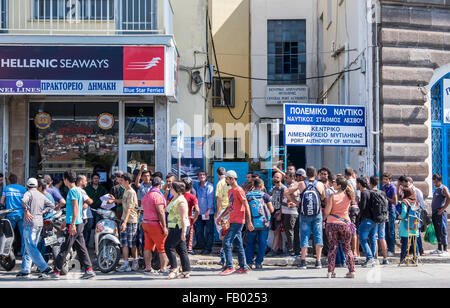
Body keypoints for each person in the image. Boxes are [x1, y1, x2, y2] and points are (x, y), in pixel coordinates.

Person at [49, 170, 95, 280]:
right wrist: (66, 221)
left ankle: (56, 271)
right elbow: (73, 209)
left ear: (65, 180)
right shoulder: (78, 190)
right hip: (77, 222)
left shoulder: (73, 191)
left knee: (65, 247)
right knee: (81, 248)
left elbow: (75, 208)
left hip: (75, 224)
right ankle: (89, 270)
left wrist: (72, 224)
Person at [15, 178, 55, 279]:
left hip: (30, 224)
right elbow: (52, 205)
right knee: (30, 247)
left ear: (26, 186)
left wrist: (26, 211)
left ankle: (45, 268)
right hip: (39, 223)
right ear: (36, 186)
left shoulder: (28, 193)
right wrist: (44, 211)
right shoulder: (41, 195)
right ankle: (25, 270)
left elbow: (23, 201)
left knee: (30, 247)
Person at [288, 166, 325, 269]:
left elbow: (287, 192)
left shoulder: (301, 184)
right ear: (316, 174)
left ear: (306, 175)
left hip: (304, 214)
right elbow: (323, 197)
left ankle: (303, 262)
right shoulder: (320, 184)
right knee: (318, 236)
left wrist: (296, 203)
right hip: (317, 214)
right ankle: (318, 262)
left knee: (304, 236)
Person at [217, 170, 254, 275]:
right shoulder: (230, 191)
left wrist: (249, 222)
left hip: (238, 221)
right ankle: (243, 267)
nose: (226, 181)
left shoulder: (239, 190)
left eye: (227, 179)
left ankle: (230, 266)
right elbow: (229, 207)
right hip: (232, 220)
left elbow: (246, 205)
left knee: (226, 242)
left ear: (232, 179)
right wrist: (220, 217)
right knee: (238, 244)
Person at [324, 176, 355, 278]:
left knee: (332, 248)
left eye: (335, 183)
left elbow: (327, 211)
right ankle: (351, 271)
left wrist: (324, 216)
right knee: (347, 248)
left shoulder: (332, 196)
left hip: (332, 223)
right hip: (345, 224)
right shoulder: (349, 196)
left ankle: (330, 271)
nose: (333, 184)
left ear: (339, 186)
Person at [141, 176, 169, 275]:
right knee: (162, 247)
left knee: (147, 247)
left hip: (146, 223)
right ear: (160, 185)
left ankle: (148, 268)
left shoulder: (147, 194)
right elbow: (160, 211)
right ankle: (163, 268)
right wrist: (164, 226)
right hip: (155, 223)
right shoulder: (157, 196)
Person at [245, 178, 274, 269]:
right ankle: (258, 262)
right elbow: (271, 209)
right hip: (263, 223)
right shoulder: (265, 196)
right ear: (261, 186)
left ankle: (249, 262)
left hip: (251, 223)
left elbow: (245, 209)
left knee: (250, 243)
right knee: (262, 242)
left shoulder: (248, 195)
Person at [165, 181, 191, 279]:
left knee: (168, 246)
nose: (169, 189)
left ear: (176, 189)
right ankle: (186, 271)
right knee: (181, 249)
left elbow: (184, 218)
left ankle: (174, 269)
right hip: (174, 226)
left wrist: (184, 232)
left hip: (180, 227)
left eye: (171, 188)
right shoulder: (174, 199)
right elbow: (167, 209)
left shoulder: (181, 201)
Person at [117, 173, 140, 272]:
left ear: (127, 182)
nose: (120, 182)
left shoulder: (131, 192)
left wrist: (125, 222)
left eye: (122, 180)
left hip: (130, 220)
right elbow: (123, 202)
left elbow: (130, 208)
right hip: (124, 219)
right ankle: (126, 263)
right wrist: (113, 200)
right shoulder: (126, 191)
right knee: (124, 243)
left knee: (132, 243)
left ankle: (135, 261)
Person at [1, 173, 27, 255]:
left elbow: (2, 201)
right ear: (17, 180)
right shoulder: (23, 189)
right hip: (21, 214)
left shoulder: (6, 188)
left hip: (10, 214)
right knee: (23, 235)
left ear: (9, 181)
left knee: (8, 235)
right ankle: (23, 252)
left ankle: (7, 253)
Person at [358, 177, 380, 267]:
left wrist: (357, 202)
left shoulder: (363, 192)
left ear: (359, 184)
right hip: (374, 219)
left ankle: (370, 257)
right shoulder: (371, 192)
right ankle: (373, 259)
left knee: (362, 239)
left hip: (366, 219)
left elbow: (362, 207)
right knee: (372, 239)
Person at [193, 171, 215, 255]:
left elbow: (210, 198)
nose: (202, 176)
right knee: (199, 230)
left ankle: (208, 248)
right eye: (200, 175)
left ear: (206, 176)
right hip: (199, 212)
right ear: (198, 177)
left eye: (203, 175)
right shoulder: (196, 185)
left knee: (209, 232)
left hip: (208, 213)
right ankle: (200, 245)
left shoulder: (209, 186)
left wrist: (208, 210)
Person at [369, 176, 389, 265]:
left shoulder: (370, 193)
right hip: (383, 217)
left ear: (370, 183)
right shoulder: (383, 193)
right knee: (382, 237)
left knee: (374, 238)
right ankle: (385, 258)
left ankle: (376, 258)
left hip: (374, 218)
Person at [430, 174, 450, 256]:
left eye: (436, 182)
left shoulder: (443, 188)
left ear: (440, 181)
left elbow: (449, 198)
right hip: (435, 213)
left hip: (440, 213)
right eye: (434, 182)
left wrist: (442, 209)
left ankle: (445, 249)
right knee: (437, 231)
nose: (435, 183)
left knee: (442, 230)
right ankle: (439, 248)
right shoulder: (436, 189)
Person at [267, 172, 285, 257]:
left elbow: (282, 202)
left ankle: (273, 250)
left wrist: (280, 214)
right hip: (273, 211)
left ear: (281, 178)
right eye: (274, 177)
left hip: (278, 211)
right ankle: (280, 248)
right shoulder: (273, 188)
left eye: (277, 177)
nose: (275, 179)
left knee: (276, 232)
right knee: (276, 231)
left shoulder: (283, 188)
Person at [399, 187, 419, 262]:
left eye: (402, 192)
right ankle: (415, 258)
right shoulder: (416, 202)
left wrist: (401, 216)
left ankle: (403, 259)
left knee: (404, 242)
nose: (401, 194)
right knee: (414, 242)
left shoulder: (405, 201)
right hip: (414, 225)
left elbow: (404, 212)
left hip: (406, 225)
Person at [282, 171, 299, 257]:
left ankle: (291, 251)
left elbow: (295, 194)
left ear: (292, 178)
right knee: (290, 231)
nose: (285, 179)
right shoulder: (290, 185)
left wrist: (290, 200)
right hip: (287, 212)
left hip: (291, 212)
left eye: (286, 178)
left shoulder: (294, 185)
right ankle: (294, 250)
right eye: (284, 177)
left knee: (290, 232)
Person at [181, 177, 200, 255]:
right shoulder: (192, 197)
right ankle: (189, 248)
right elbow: (197, 210)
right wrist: (195, 218)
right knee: (190, 234)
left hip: (179, 219)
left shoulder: (179, 196)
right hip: (188, 218)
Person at [407, 177, 425, 255]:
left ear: (411, 182)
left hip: (416, 215)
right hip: (410, 215)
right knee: (412, 233)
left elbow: (422, 204)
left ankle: (420, 250)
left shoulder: (417, 191)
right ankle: (413, 249)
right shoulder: (407, 191)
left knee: (416, 233)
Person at [381, 173, 398, 257]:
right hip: (385, 210)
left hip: (391, 210)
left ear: (390, 180)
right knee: (385, 230)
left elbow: (395, 202)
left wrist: (386, 198)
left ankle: (391, 249)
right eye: (383, 179)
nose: (384, 181)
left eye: (386, 179)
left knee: (391, 231)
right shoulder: (384, 187)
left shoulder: (393, 188)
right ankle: (386, 249)